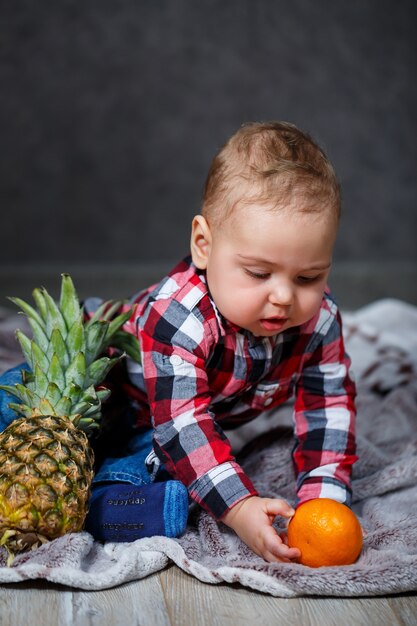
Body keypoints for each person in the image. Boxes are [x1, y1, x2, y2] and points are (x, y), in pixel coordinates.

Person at [0, 121, 357, 563]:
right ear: (204, 245)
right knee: (17, 404)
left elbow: (328, 408)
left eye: (309, 276)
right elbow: (182, 423)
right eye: (259, 273)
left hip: (158, 427)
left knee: (175, 467)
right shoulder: (178, 316)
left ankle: (110, 507)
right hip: (102, 392)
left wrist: (324, 500)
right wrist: (240, 508)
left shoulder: (319, 320)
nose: (284, 296)